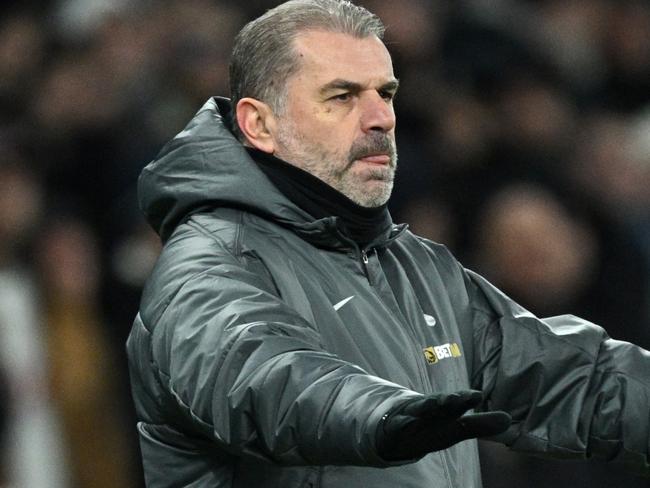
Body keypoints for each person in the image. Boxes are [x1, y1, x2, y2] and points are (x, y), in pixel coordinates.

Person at [126, 1, 650, 486]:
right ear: (259, 123)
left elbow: (566, 378)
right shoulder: (207, 265)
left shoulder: (416, 267)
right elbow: (261, 374)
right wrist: (378, 415)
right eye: (343, 95)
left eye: (386, 93)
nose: (381, 118)